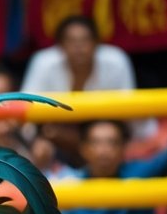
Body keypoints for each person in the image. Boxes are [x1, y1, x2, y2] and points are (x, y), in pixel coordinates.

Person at [23, 15, 147, 168]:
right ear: (60, 46)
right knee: (39, 150)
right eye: (71, 41)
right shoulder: (43, 63)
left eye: (85, 40)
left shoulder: (115, 61)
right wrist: (38, 139)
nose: (78, 47)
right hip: (54, 143)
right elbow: (27, 113)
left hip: (106, 138)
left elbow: (128, 112)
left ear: (96, 43)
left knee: (111, 141)